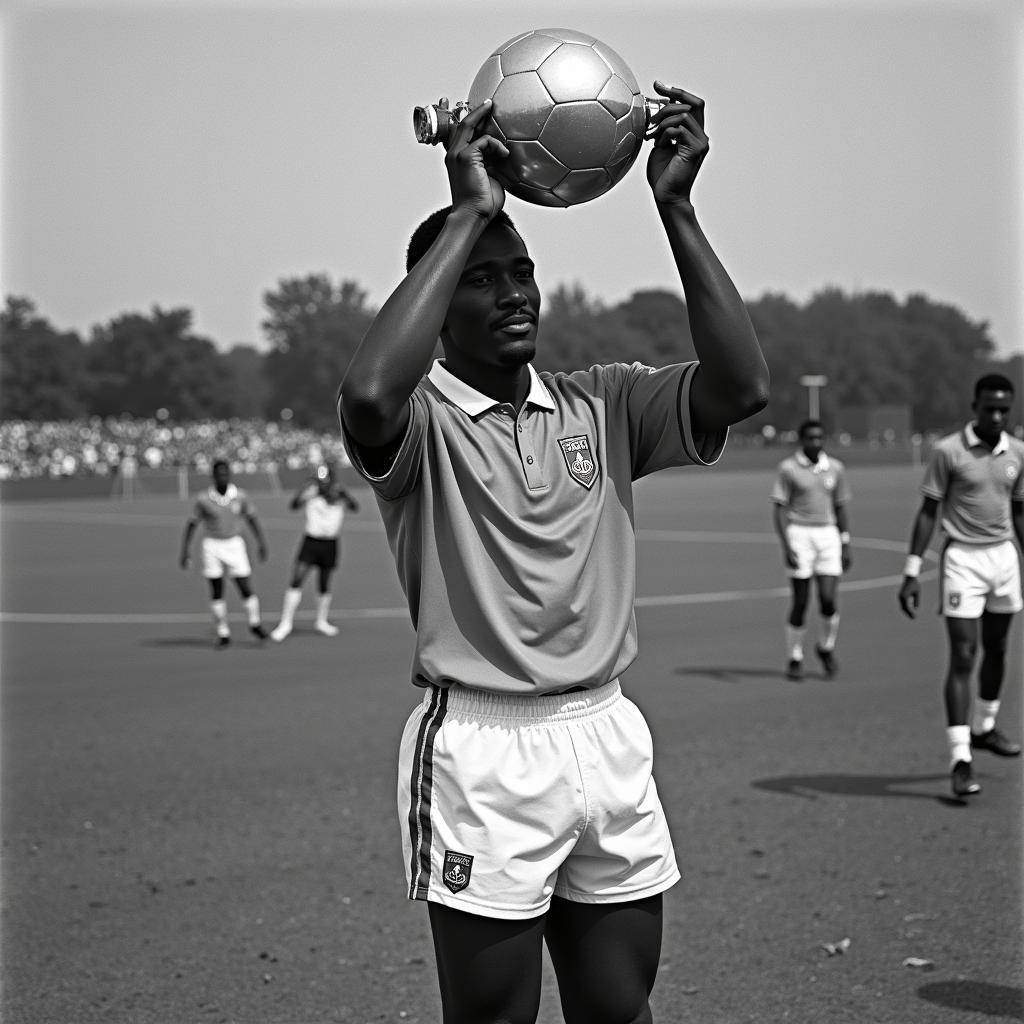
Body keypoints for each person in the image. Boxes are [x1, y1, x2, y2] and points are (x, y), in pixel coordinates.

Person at [337, 83, 768, 1023]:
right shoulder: (423, 426)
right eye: (480, 278)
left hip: (607, 732)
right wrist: (469, 214)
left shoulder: (602, 402)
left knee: (621, 1011)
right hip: (484, 748)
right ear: (437, 310)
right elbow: (368, 396)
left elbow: (742, 385)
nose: (513, 291)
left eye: (519, 269)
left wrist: (677, 206)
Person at [898, 373, 1024, 798]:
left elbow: (1019, 512)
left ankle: (986, 727)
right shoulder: (947, 451)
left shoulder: (1018, 454)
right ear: (975, 406)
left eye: (1003, 409)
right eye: (989, 407)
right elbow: (928, 511)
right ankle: (960, 758)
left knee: (999, 648)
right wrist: (912, 570)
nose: (996, 415)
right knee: (964, 655)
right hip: (962, 561)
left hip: (1003, 558)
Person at [771, 419, 852, 680]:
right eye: (810, 438)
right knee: (801, 600)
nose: (815, 443)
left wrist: (845, 540)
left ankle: (826, 647)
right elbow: (780, 509)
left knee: (828, 599)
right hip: (800, 533)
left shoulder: (835, 468)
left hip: (828, 535)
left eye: (819, 438)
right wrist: (786, 545)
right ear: (802, 440)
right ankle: (795, 656)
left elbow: (840, 506)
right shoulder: (789, 469)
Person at [179, 459, 269, 647]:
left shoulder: (240, 496)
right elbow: (192, 524)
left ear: (229, 475)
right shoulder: (204, 499)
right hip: (212, 545)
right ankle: (223, 631)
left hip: (234, 544)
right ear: (213, 476)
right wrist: (185, 550)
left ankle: (255, 623)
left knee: (244, 585)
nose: (223, 477)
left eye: (225, 473)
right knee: (217, 589)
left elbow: (251, 518)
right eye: (219, 474)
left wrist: (261, 542)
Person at [270, 464, 360, 641]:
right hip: (311, 542)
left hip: (330, 543)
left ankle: (321, 621)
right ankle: (285, 623)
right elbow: (294, 505)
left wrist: (343, 494)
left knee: (324, 582)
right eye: (320, 481)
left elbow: (354, 507)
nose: (322, 485)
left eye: (325, 481)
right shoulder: (311, 493)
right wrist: (305, 489)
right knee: (297, 578)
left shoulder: (339, 495)